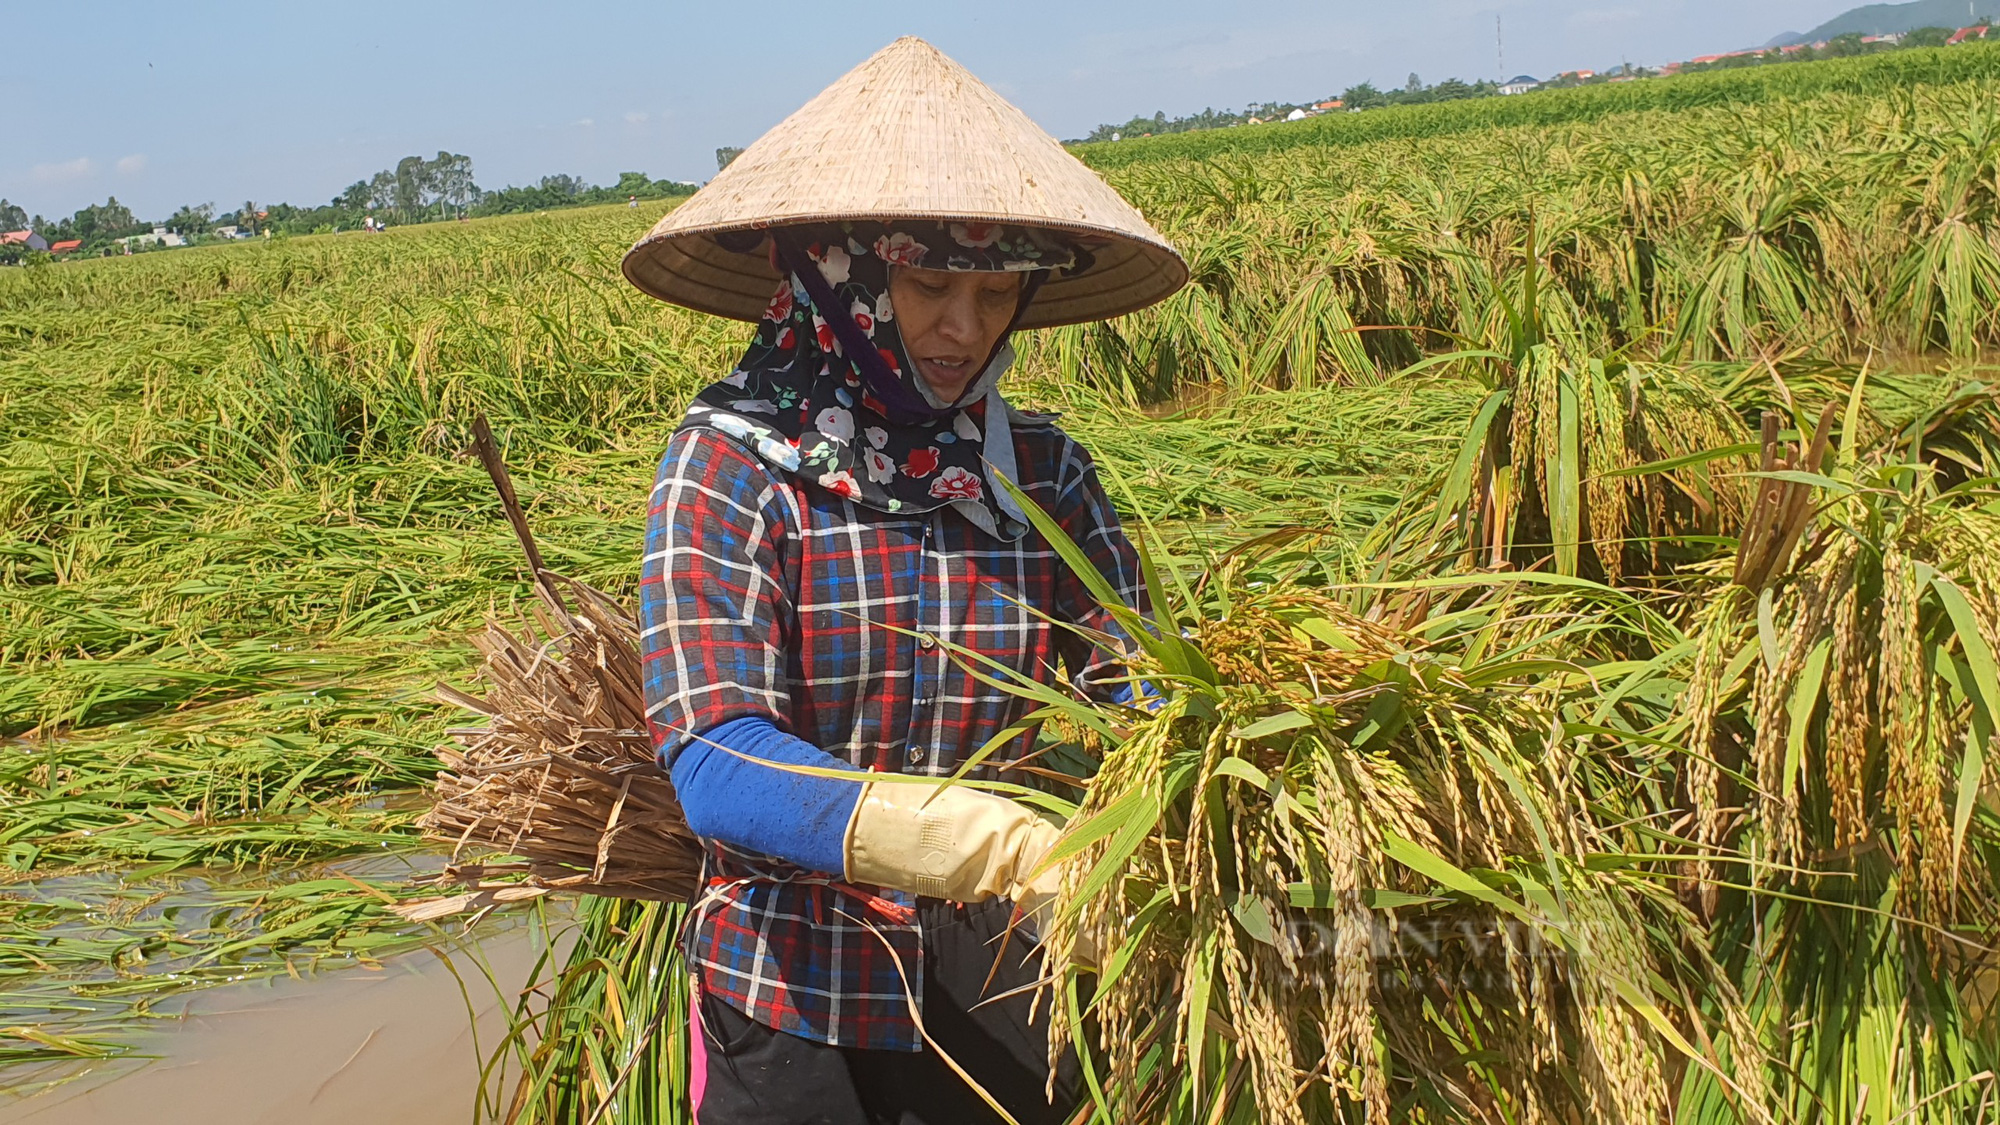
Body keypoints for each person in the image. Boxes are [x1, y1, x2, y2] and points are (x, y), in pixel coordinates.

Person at [624, 37, 1187, 1125]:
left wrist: (1193, 763)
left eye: (993, 290)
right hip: (793, 987)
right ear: (840, 279)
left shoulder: (1042, 475)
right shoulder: (733, 467)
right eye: (929, 283)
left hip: (1000, 972)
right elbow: (714, 759)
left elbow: (1137, 686)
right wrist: (977, 837)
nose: (963, 329)